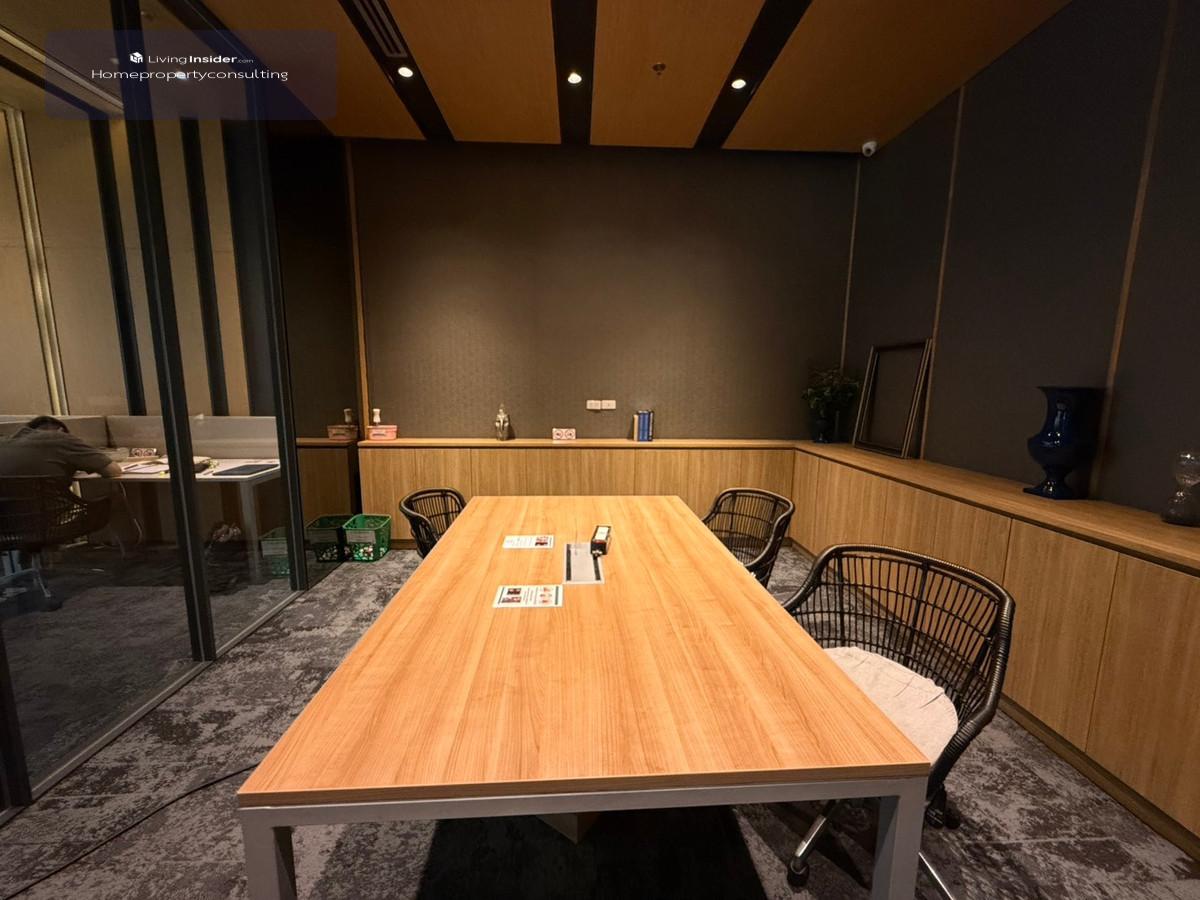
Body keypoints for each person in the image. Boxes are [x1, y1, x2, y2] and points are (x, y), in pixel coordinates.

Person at [0, 416, 123, 479]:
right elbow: (113, 471)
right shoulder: (59, 438)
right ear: (60, 431)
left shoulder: (5, 442)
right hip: (51, 513)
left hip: (8, 519)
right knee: (115, 497)